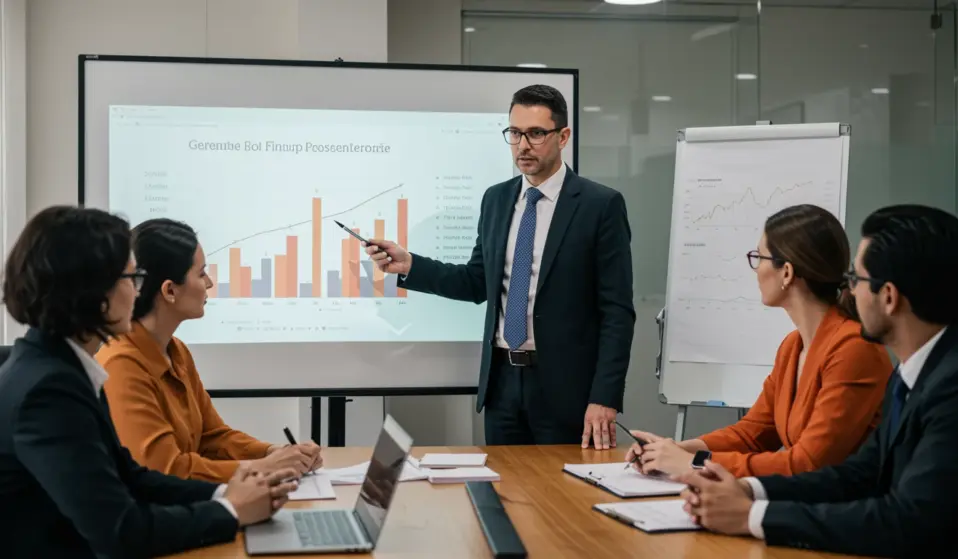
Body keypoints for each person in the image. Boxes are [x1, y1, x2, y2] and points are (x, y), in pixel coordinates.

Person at [679, 204, 958, 558]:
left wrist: (753, 516)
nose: (849, 291)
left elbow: (905, 521)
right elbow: (861, 474)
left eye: (857, 280)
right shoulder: (923, 370)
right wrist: (751, 491)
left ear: (888, 297)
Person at [0, 206, 298, 558]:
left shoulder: (60, 369)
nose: (138, 292)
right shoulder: (48, 392)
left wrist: (225, 495)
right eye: (131, 279)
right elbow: (121, 532)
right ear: (96, 292)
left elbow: (132, 476)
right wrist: (231, 511)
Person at [365, 84, 635, 447]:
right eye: (515, 133)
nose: (523, 145)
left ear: (563, 135)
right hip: (502, 385)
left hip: (567, 390)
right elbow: (477, 282)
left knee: (561, 499)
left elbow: (616, 311)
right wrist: (410, 264)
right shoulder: (497, 199)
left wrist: (604, 396)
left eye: (536, 133)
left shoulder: (599, 205)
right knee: (504, 496)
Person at [626, 204, 892, 478]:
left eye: (759, 257)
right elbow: (752, 434)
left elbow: (806, 464)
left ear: (786, 272)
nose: (755, 270)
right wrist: (676, 451)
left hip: (842, 511)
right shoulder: (793, 346)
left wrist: (693, 463)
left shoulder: (854, 349)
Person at [97, 218, 322, 483]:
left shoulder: (176, 350)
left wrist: (276, 453)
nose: (210, 283)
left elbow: (212, 437)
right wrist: (265, 467)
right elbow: (166, 469)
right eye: (201, 273)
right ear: (170, 290)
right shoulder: (121, 364)